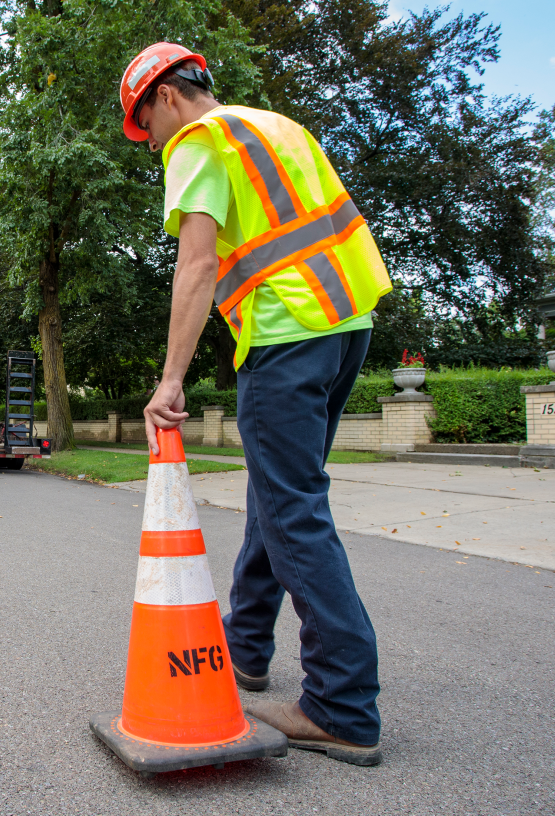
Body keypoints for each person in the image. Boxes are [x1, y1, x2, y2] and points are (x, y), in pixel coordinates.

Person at [120, 42, 393, 766]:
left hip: (285, 336)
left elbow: (199, 262)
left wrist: (171, 378)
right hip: (346, 327)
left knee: (293, 509)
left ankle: (341, 705)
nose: (151, 142)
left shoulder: (197, 141)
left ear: (166, 98)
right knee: (276, 500)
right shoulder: (278, 128)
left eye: (145, 125)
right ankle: (241, 650)